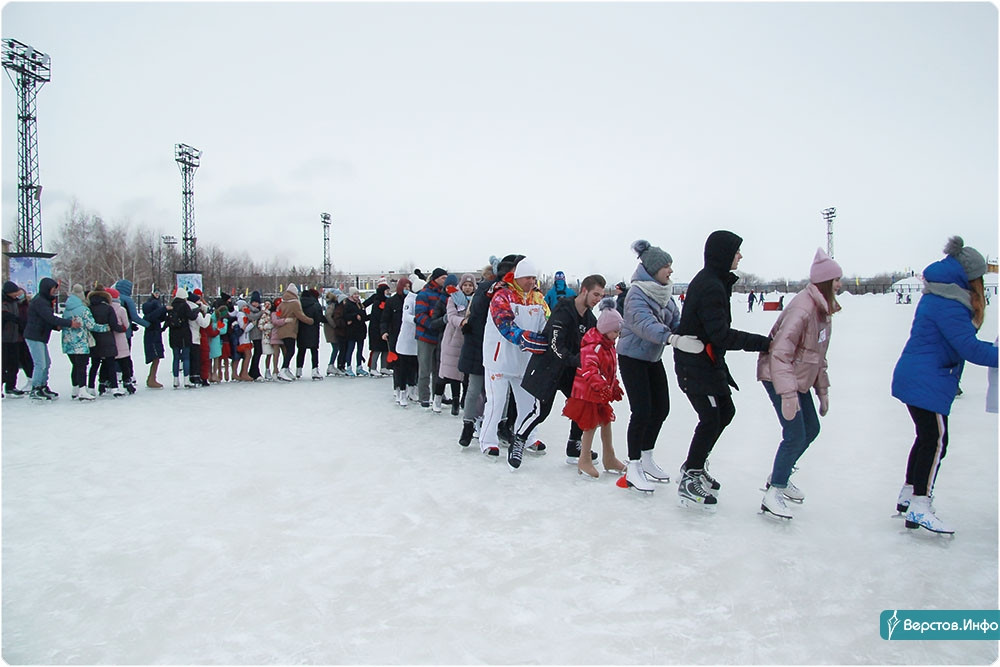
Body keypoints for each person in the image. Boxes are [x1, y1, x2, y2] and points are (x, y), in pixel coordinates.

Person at [891, 237, 998, 535]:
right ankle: (920, 505)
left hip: (920, 376)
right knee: (936, 441)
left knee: (927, 439)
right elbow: (970, 348)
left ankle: (910, 495)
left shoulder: (940, 295)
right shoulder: (949, 302)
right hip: (927, 379)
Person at [673, 231, 772, 507]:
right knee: (711, 416)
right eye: (737, 251)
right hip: (693, 363)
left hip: (707, 361)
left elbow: (714, 335)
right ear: (723, 254)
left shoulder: (716, 282)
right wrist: (763, 343)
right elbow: (720, 334)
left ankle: (696, 464)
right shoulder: (710, 285)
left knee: (725, 411)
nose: (740, 256)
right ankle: (689, 478)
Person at [756, 249, 842, 519]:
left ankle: (779, 475)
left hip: (797, 379)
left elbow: (817, 357)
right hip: (779, 376)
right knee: (794, 434)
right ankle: (774, 492)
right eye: (836, 279)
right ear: (825, 282)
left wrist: (822, 391)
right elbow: (780, 353)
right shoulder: (803, 309)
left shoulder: (822, 310)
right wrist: (788, 395)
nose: (840, 284)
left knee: (811, 428)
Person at [617, 240, 702, 493]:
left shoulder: (664, 292)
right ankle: (632, 466)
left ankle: (646, 457)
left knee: (661, 408)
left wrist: (690, 333)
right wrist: (672, 339)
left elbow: (676, 320)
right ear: (653, 268)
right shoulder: (636, 294)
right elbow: (643, 324)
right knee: (641, 411)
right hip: (632, 358)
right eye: (666, 266)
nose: (670, 271)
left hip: (652, 358)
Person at [521, 274, 606, 465]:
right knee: (541, 412)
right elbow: (555, 345)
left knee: (581, 403)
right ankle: (518, 440)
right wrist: (579, 361)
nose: (598, 299)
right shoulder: (563, 310)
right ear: (584, 290)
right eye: (595, 294)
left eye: (601, 296)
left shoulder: (590, 319)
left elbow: (593, 343)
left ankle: (574, 445)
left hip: (569, 371)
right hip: (549, 368)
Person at [480, 257, 550, 469]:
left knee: (528, 404)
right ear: (518, 277)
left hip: (524, 361)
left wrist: (549, 338)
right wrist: (525, 338)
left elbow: (547, 322)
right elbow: (505, 324)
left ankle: (527, 437)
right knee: (497, 401)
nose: (532, 281)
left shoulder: (538, 298)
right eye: (528, 277)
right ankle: (488, 441)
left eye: (534, 277)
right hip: (499, 359)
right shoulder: (502, 296)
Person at [457, 254, 522, 447]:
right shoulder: (486, 288)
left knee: (504, 390)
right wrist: (489, 294)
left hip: (503, 347)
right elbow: (475, 311)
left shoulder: (515, 292)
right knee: (475, 388)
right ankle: (468, 424)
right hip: (479, 345)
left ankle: (501, 425)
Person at [563, 297, 627, 478]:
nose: (617, 335)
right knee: (590, 425)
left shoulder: (608, 345)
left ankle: (609, 457)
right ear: (606, 329)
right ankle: (584, 459)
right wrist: (601, 387)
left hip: (598, 393)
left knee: (606, 422)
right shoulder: (593, 347)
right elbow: (589, 371)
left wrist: (613, 386)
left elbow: (610, 370)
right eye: (615, 331)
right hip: (587, 393)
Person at [24, 277, 82, 399]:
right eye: (53, 289)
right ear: (47, 289)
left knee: (46, 363)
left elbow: (46, 320)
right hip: (34, 336)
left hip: (40, 335)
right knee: (40, 363)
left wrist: (56, 326)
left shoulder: (44, 300)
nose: (54, 292)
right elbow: (49, 318)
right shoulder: (40, 301)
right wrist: (69, 323)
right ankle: (35, 388)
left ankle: (43, 386)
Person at [61, 284, 109, 401]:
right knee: (82, 366)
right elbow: (91, 326)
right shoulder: (84, 310)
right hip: (80, 342)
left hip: (67, 342)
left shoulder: (67, 310)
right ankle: (83, 390)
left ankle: (75, 389)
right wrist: (106, 328)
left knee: (75, 366)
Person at [439, 273, 476, 416]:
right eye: (465, 285)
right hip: (454, 338)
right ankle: (455, 400)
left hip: (470, 338)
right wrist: (463, 321)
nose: (467, 288)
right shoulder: (453, 299)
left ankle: (465, 399)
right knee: (454, 372)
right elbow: (451, 316)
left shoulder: (476, 299)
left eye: (470, 285)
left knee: (467, 373)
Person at [414, 268, 448, 406]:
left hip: (440, 337)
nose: (445, 280)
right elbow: (419, 315)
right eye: (442, 278)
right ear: (435, 279)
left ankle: (438, 394)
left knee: (439, 369)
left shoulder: (445, 294)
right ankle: (424, 396)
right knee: (425, 368)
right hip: (425, 337)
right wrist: (433, 324)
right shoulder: (424, 294)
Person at [382, 276, 418, 406]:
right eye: (405, 287)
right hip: (395, 336)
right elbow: (385, 318)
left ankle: (412, 387)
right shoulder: (392, 301)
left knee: (413, 364)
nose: (407, 290)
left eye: (409, 287)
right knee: (398, 365)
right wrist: (384, 331)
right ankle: (398, 388)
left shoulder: (413, 300)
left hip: (410, 336)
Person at [87, 284, 125, 397]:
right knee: (110, 364)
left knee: (94, 365)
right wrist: (122, 328)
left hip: (94, 339)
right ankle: (114, 388)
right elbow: (114, 325)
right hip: (107, 339)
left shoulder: (89, 308)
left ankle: (90, 387)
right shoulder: (108, 308)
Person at [275, 284, 314, 382]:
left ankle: (286, 370)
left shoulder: (282, 303)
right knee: (290, 351)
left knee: (288, 350)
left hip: (282, 329)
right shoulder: (295, 303)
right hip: (290, 330)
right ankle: (283, 370)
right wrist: (311, 321)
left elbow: (278, 314)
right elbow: (300, 315)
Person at [2, 281, 33, 397]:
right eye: (14, 293)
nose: (16, 295)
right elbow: (4, 314)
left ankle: (10, 387)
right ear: (8, 292)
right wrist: (15, 319)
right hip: (4, 338)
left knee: (13, 365)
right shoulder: (3, 301)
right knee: (3, 365)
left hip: (15, 337)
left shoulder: (15, 302)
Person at [107, 287, 133, 396]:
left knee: (109, 363)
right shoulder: (121, 309)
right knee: (124, 361)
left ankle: (105, 382)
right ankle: (127, 381)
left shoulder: (106, 308)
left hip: (109, 339)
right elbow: (126, 325)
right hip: (121, 338)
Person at [296, 288, 325, 379]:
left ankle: (298, 370)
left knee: (301, 350)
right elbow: (319, 317)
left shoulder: (299, 304)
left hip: (301, 330)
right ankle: (314, 370)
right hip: (313, 330)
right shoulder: (315, 304)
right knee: (314, 350)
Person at [141, 289, 168, 388]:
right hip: (153, 334)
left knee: (157, 356)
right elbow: (153, 316)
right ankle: (152, 378)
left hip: (154, 333)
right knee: (156, 356)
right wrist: (163, 309)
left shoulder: (152, 305)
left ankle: (152, 377)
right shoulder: (152, 308)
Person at [363, 280, 390, 376]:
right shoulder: (377, 301)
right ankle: (373, 368)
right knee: (376, 348)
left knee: (385, 348)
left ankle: (384, 367)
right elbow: (377, 315)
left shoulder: (387, 301)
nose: (388, 293)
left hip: (384, 328)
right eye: (386, 291)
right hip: (376, 328)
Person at [342, 287, 369, 377]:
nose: (357, 296)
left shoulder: (359, 304)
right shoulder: (348, 304)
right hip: (352, 331)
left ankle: (359, 367)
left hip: (360, 330)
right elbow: (345, 316)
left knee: (360, 349)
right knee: (350, 348)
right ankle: (348, 367)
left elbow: (363, 315)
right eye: (355, 294)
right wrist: (355, 316)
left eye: (357, 294)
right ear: (351, 295)